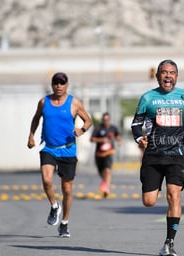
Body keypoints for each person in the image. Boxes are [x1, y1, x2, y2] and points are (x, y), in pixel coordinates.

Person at [131, 59, 184, 256]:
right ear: (157, 75)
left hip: (176, 155)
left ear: (176, 76)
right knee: (149, 201)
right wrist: (139, 138)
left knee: (174, 195)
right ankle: (154, 188)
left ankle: (169, 242)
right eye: (164, 72)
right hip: (153, 155)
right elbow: (136, 124)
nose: (168, 76)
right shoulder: (148, 98)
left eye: (172, 73)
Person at [27, 72, 92, 238]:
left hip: (68, 150)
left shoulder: (74, 103)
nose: (58, 86)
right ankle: (54, 205)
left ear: (67, 85)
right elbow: (36, 118)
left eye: (62, 83)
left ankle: (64, 223)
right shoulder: (44, 102)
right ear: (52, 84)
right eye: (56, 82)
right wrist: (31, 135)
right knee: (47, 179)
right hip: (49, 148)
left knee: (67, 189)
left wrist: (81, 130)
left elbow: (88, 120)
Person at [90, 112, 121, 198]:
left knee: (107, 171)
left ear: (109, 120)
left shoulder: (113, 128)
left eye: (107, 119)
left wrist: (118, 140)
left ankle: (106, 187)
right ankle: (105, 183)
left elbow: (118, 136)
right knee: (101, 173)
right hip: (99, 154)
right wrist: (101, 140)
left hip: (109, 153)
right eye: (104, 119)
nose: (106, 121)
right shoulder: (98, 128)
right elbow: (92, 139)